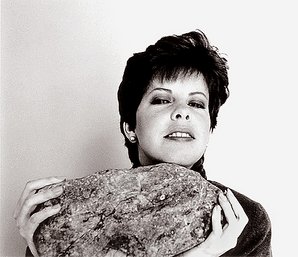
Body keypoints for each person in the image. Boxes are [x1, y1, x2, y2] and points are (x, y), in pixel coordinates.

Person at [13, 30, 272, 257]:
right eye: (161, 100)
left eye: (196, 103)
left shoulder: (245, 221)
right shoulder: (74, 218)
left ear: (210, 127)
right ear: (130, 128)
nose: (182, 112)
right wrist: (45, 248)